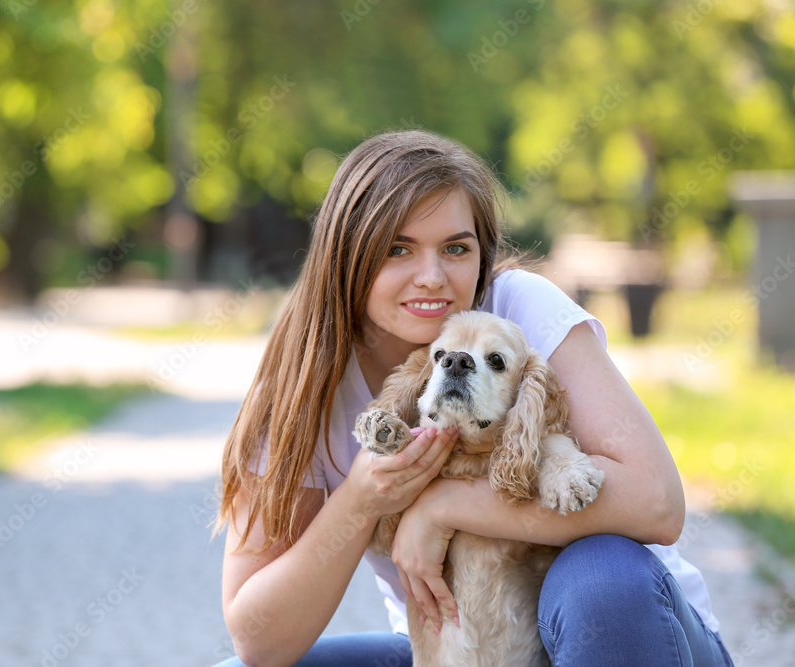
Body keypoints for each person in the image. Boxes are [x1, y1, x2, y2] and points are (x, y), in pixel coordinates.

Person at [213, 130, 733, 667]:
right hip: (460, 651)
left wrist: (442, 507)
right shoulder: (306, 383)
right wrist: (364, 499)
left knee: (603, 577)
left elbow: (657, 502)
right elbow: (260, 639)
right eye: (397, 248)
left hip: (629, 640)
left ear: (482, 255)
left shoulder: (516, 313)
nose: (432, 278)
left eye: (456, 248)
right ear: (346, 254)